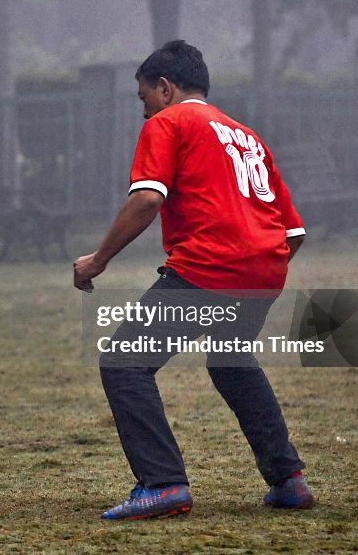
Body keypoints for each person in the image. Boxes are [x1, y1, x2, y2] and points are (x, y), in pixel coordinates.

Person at [73, 40, 313, 520]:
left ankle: (163, 484)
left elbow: (146, 200)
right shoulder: (246, 134)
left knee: (124, 362)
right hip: (266, 269)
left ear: (165, 88)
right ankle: (289, 480)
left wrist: (98, 260)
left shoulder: (169, 122)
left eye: (144, 98)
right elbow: (294, 231)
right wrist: (256, 266)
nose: (144, 112)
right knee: (230, 361)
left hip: (209, 266)